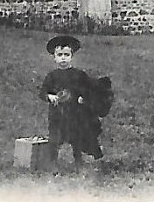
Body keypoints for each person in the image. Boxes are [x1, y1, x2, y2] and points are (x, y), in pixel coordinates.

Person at [39, 35, 106, 170]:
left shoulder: (78, 75)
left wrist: (83, 97)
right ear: (54, 57)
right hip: (57, 115)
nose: (63, 58)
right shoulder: (52, 76)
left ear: (71, 56)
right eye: (59, 55)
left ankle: (78, 161)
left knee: (76, 138)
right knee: (55, 138)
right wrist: (50, 96)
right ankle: (53, 163)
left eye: (66, 54)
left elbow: (88, 88)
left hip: (75, 113)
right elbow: (42, 92)